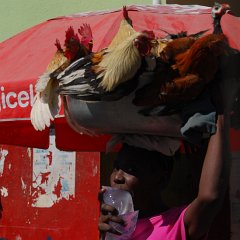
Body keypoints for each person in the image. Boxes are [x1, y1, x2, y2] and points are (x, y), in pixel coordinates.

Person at [98, 78, 237, 239]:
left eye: (131, 169)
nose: (117, 177)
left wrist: (220, 114)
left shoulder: (176, 224)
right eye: (116, 166)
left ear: (162, 177)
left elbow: (210, 197)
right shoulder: (114, 229)